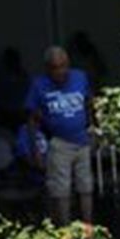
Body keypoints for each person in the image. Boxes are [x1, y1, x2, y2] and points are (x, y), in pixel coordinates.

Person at [26, 46, 96, 224]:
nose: (61, 72)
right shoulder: (39, 85)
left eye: (64, 66)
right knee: (61, 189)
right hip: (58, 141)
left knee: (86, 185)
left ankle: (88, 227)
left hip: (82, 139)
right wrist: (35, 149)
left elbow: (89, 104)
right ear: (48, 69)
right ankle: (65, 229)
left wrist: (93, 128)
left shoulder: (80, 77)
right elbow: (32, 120)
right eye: (56, 68)